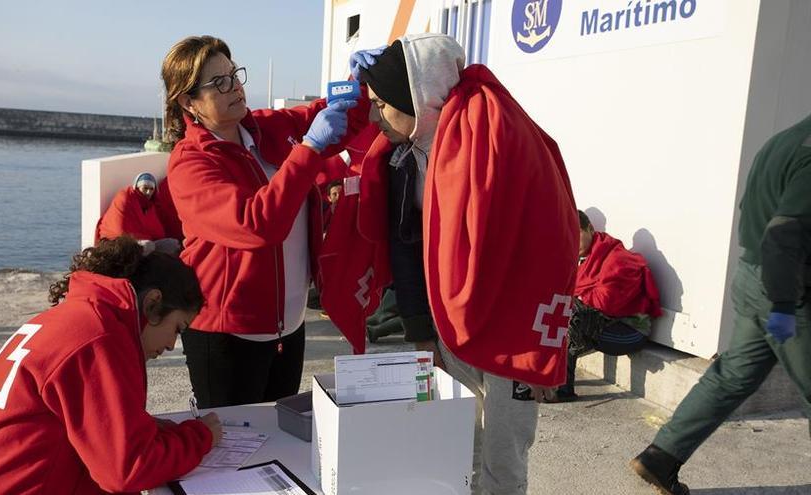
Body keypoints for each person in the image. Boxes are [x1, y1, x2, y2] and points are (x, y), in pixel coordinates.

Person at [321, 35, 578, 495]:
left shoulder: (498, 141)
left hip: (511, 325)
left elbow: (550, 241)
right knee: (460, 436)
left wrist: (541, 355)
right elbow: (408, 246)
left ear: (414, 100)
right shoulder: (404, 155)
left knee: (505, 450)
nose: (375, 115)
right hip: (451, 321)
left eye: (381, 103)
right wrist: (422, 329)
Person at [160, 35, 368, 408]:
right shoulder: (190, 164)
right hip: (226, 336)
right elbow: (257, 224)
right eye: (219, 82)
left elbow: (336, 115)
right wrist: (308, 151)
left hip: (288, 327)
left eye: (234, 75)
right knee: (233, 453)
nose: (235, 88)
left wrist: (363, 82)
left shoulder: (267, 128)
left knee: (279, 441)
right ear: (188, 102)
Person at [0, 237, 220, 494]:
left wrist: (146, 428)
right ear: (153, 302)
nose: (172, 344)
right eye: (178, 329)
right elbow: (128, 468)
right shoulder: (100, 337)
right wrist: (200, 437)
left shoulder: (75, 317)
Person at [631, 114, 811, 495]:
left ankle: (661, 456)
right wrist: (782, 301)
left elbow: (750, 211)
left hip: (753, 276)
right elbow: (784, 233)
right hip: (788, 291)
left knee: (732, 376)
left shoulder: (782, 141)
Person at [551, 209, 662, 402]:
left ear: (590, 228)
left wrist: (574, 296)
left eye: (576, 234)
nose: (572, 242)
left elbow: (606, 302)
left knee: (569, 314)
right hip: (602, 324)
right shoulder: (580, 257)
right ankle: (549, 378)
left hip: (628, 332)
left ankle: (562, 389)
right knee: (552, 308)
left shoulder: (617, 259)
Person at [96, 172, 182, 255]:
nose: (148, 192)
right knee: (149, 245)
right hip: (117, 243)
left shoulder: (150, 205)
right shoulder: (125, 198)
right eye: (145, 188)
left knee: (174, 244)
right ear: (136, 187)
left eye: (151, 189)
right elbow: (119, 231)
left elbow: (157, 231)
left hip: (144, 244)